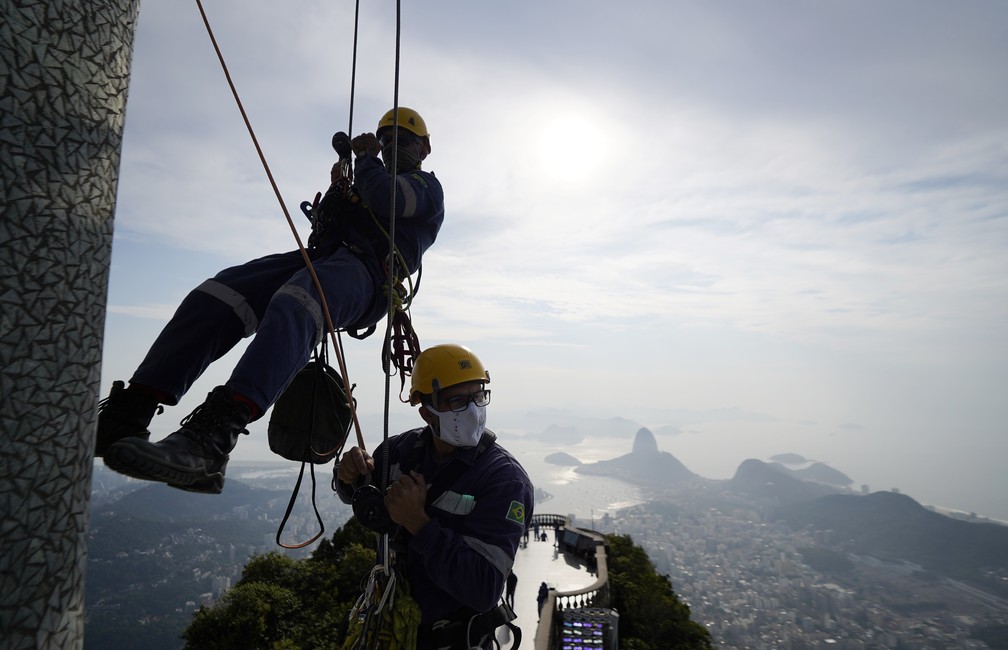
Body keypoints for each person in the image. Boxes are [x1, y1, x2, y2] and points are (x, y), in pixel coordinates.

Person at [99, 107, 444, 494]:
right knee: (221, 294)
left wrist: (365, 159)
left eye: (402, 140)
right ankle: (134, 407)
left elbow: (389, 200)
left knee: (298, 300)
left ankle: (213, 440)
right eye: (386, 141)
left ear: (425, 148)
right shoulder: (367, 181)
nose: (391, 146)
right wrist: (338, 194)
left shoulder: (426, 188)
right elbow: (328, 229)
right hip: (326, 259)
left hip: (368, 274)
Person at [335, 344, 534, 650]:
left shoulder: (504, 481)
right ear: (427, 411)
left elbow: (484, 588)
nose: (472, 410)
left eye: (478, 396)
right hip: (391, 628)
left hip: (454, 640)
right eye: (456, 400)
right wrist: (348, 477)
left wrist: (419, 523)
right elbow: (366, 501)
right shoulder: (399, 452)